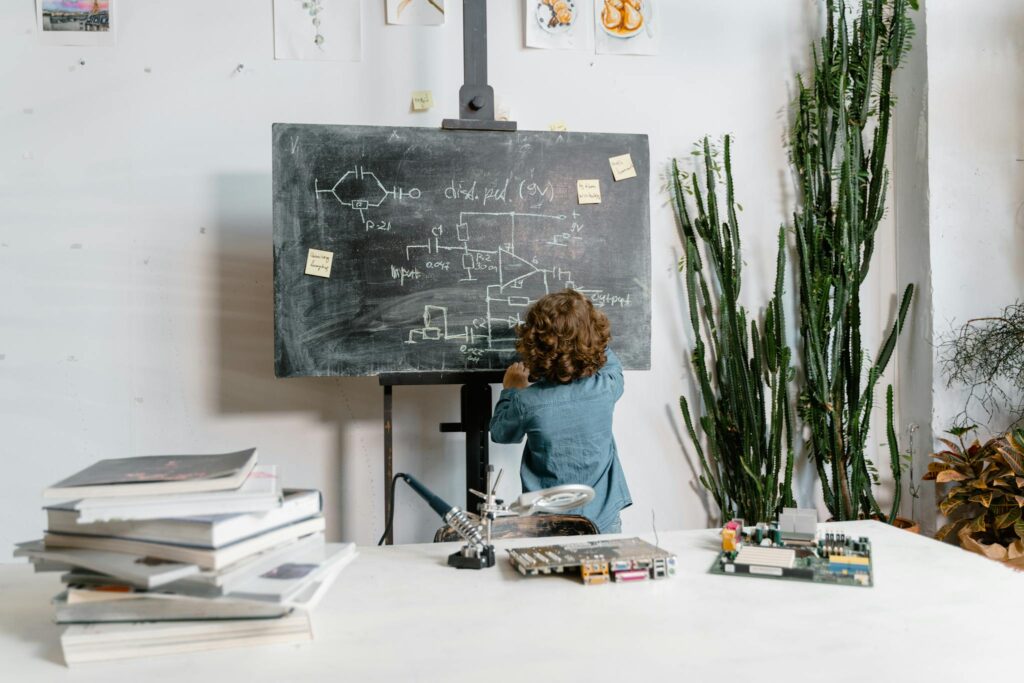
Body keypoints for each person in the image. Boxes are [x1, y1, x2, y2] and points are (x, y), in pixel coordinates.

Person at [489, 289, 631, 534]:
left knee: (552, 570)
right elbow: (609, 359)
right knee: (599, 571)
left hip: (548, 522)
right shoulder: (606, 386)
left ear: (535, 344)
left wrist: (511, 390)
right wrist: (586, 332)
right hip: (604, 517)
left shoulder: (527, 401)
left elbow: (502, 434)